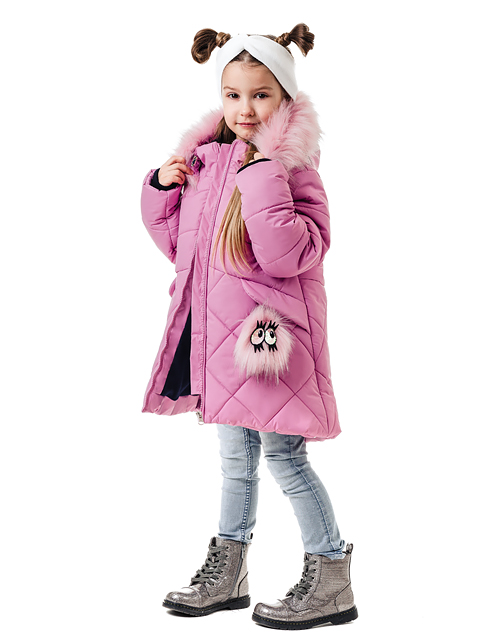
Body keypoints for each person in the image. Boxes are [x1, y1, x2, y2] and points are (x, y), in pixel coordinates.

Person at [140, 24, 358, 630]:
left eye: (260, 95)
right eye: (232, 95)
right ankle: (228, 572)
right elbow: (185, 251)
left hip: (269, 340)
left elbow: (292, 253)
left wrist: (262, 176)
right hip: (220, 341)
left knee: (285, 457)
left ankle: (331, 575)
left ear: (284, 96)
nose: (244, 109)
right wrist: (160, 191)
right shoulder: (207, 162)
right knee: (235, 460)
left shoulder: (293, 167)